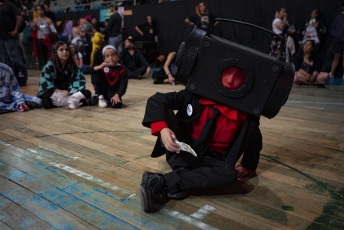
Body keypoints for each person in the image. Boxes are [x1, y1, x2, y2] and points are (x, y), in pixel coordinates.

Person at [140, 67, 262, 213]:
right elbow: (156, 100)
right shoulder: (194, 96)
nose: (229, 84)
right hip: (182, 148)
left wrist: (247, 166)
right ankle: (182, 180)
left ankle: (163, 181)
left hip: (212, 159)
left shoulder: (246, 116)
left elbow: (254, 140)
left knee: (229, 174)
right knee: (164, 110)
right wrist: (162, 129)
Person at [37, 41, 91, 109]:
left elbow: (79, 79)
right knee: (46, 97)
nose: (65, 52)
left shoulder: (73, 65)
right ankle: (73, 102)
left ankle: (65, 102)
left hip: (70, 92)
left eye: (67, 50)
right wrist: (60, 91)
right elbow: (46, 84)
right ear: (55, 52)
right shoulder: (49, 66)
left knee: (87, 93)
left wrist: (69, 91)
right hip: (56, 92)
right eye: (61, 50)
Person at [31, 4, 57, 69]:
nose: (40, 12)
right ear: (36, 11)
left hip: (48, 40)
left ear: (44, 10)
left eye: (41, 10)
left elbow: (54, 31)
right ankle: (43, 68)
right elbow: (34, 31)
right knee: (41, 55)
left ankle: (54, 66)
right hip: (39, 39)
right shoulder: (35, 20)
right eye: (38, 10)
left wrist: (48, 36)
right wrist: (34, 26)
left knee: (52, 53)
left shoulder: (48, 20)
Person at [0, 0, 24, 69]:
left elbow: (19, 18)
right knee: (4, 58)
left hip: (9, 36)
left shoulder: (9, 5)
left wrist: (15, 30)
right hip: (1, 37)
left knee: (14, 56)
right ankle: (9, 76)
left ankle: (19, 75)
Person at [329, 2, 344, 79]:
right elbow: (333, 28)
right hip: (338, 40)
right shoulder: (338, 17)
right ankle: (332, 73)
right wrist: (336, 35)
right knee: (336, 57)